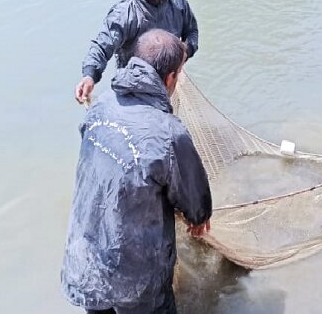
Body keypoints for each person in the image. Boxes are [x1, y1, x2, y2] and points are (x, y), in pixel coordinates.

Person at [62, 29, 212, 314]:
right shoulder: (169, 132)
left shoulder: (102, 105)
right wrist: (198, 217)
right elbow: (194, 198)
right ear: (170, 78)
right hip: (137, 284)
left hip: (83, 266)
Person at [74, 0, 199, 104]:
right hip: (134, 95)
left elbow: (192, 32)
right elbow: (102, 46)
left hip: (169, 90)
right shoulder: (124, 14)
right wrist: (89, 75)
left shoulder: (178, 4)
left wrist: (185, 51)